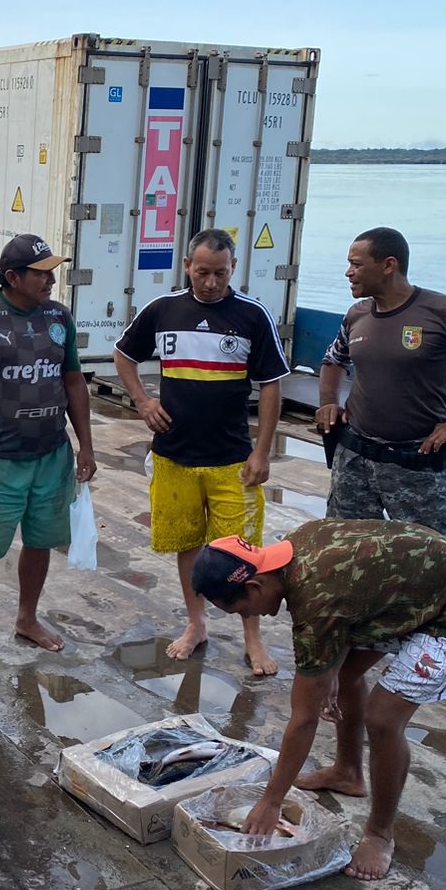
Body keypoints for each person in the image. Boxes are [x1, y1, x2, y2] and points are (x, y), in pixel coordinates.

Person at [191, 518, 446, 881]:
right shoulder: (296, 545)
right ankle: (348, 773)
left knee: (383, 719)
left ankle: (380, 833)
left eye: (242, 610)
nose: (249, 616)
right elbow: (351, 595)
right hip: (407, 590)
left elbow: (303, 719)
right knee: (344, 676)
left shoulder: (315, 603)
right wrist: (330, 668)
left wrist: (272, 801)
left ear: (255, 585)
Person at [316, 226, 446, 708]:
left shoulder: (445, 312)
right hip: (356, 461)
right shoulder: (357, 315)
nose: (348, 271)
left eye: (356, 263)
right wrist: (328, 402)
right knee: (349, 557)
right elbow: (332, 360)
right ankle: (348, 646)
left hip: (418, 463)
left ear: (388, 264)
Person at [113, 228, 289, 677]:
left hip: (233, 460)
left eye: (222, 274)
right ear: (187, 266)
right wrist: (143, 401)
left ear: (234, 270)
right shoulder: (163, 310)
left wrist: (262, 452)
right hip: (175, 456)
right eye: (203, 272)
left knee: (244, 553)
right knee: (188, 545)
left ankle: (253, 638)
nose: (211, 282)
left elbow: (271, 385)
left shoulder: (252, 315)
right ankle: (197, 624)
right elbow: (123, 356)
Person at [0, 232, 97, 665]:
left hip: (52, 455)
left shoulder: (59, 317)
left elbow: (73, 382)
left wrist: (85, 446)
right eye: (41, 273)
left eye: (53, 271)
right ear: (12, 277)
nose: (51, 280)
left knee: (40, 541)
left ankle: (26, 618)